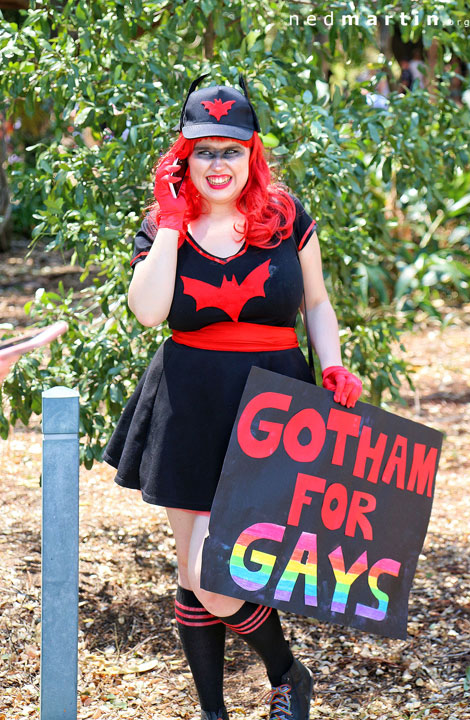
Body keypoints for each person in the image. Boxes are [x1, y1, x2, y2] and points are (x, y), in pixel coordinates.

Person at [103, 75, 362, 720]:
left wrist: (332, 367)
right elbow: (148, 310)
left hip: (275, 407)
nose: (218, 163)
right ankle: (223, 706)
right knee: (196, 572)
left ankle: (285, 675)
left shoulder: (287, 219)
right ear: (182, 157)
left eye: (231, 148)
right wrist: (168, 220)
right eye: (203, 149)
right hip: (189, 403)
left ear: (253, 153)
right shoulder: (165, 226)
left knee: (228, 575)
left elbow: (319, 303)